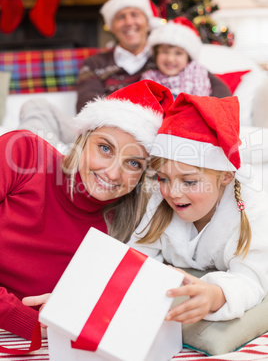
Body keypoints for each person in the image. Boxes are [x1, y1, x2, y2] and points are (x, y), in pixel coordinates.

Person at [0, 80, 173, 343]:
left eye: (133, 163)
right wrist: (22, 318)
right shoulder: (23, 153)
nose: (113, 173)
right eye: (105, 148)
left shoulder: (128, 228)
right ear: (82, 139)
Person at [128, 92, 268, 324]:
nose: (173, 193)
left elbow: (251, 279)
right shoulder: (158, 203)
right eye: (163, 179)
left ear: (225, 177)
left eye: (189, 182)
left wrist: (215, 295)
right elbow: (134, 255)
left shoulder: (254, 212)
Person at [18, 0, 160, 148]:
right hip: (99, 133)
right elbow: (87, 107)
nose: (128, 22)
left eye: (135, 14)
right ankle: (38, 161)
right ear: (111, 26)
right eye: (121, 17)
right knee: (35, 106)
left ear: (147, 22)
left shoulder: (164, 61)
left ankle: (71, 159)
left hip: (148, 139)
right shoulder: (95, 63)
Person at [141, 17, 231, 99]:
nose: (170, 59)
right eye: (164, 52)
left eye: (178, 53)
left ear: (188, 58)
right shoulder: (148, 78)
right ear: (156, 54)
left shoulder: (197, 73)